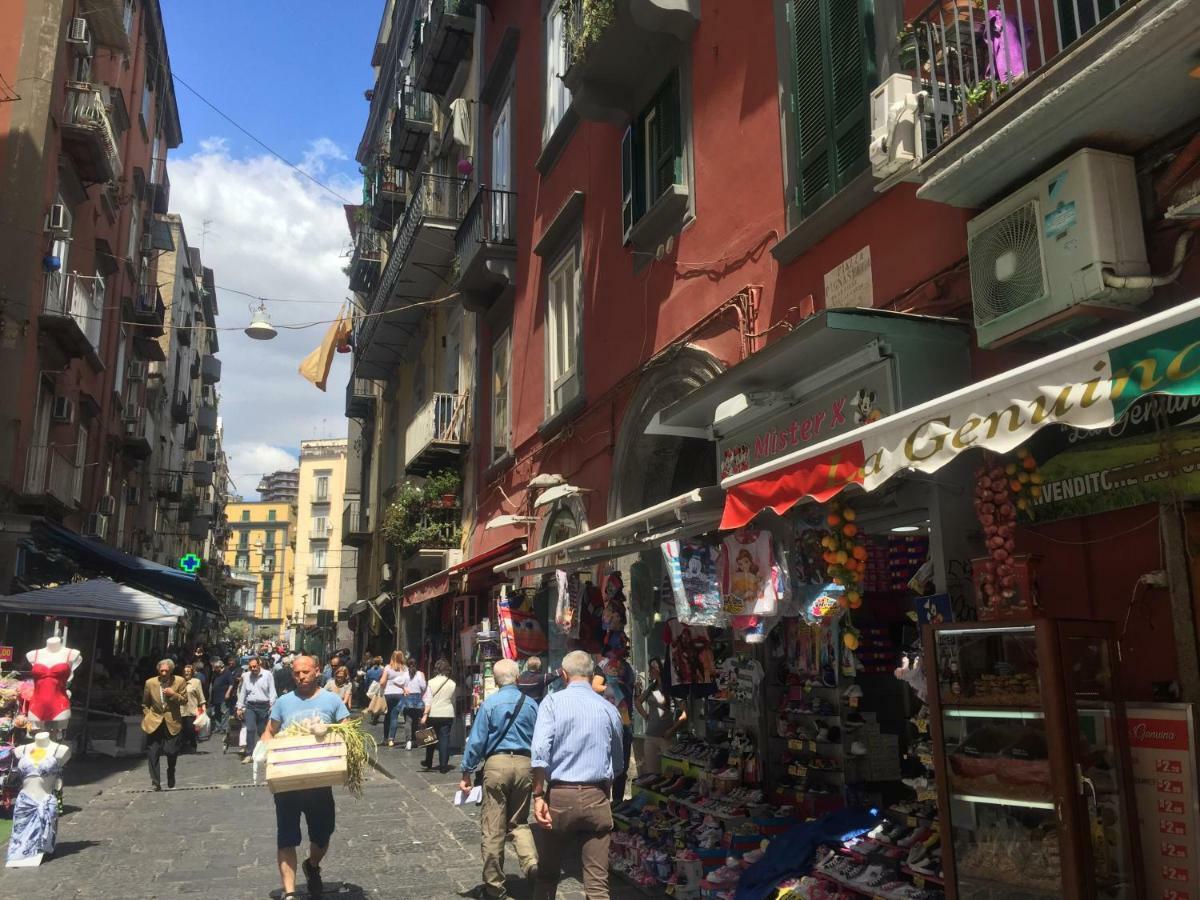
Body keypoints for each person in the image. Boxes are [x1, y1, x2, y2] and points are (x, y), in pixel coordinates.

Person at [531, 649, 624, 900]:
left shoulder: (552, 702)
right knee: (597, 883)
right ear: (592, 674)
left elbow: (540, 750)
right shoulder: (608, 708)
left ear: (563, 674)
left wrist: (538, 794)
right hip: (596, 796)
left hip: (560, 796)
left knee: (548, 873)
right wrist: (606, 788)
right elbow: (618, 762)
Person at [261, 655, 350, 900]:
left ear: (317, 671)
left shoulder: (332, 700)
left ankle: (312, 864)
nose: (301, 677)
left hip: (319, 783)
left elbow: (348, 728)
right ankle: (289, 893)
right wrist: (263, 753)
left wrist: (330, 729)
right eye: (297, 673)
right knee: (286, 837)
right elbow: (270, 731)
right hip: (287, 782)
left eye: (306, 672)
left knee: (323, 835)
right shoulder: (283, 702)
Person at [459, 658, 539, 899]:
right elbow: (541, 738)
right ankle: (531, 864)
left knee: (494, 827)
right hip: (526, 765)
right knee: (519, 822)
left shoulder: (490, 704)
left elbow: (477, 740)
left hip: (496, 764)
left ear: (494, 680)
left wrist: (466, 770)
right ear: (518, 678)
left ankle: (494, 887)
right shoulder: (532, 704)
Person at [592, 640, 636, 803]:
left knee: (622, 765)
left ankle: (617, 802)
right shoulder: (603, 665)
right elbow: (596, 685)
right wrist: (612, 687)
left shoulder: (628, 667)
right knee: (606, 761)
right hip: (609, 718)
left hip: (625, 719)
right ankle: (604, 801)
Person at [141, 659, 187, 790]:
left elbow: (184, 700)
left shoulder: (179, 681)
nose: (164, 673)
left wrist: (174, 695)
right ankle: (155, 781)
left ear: (171, 671)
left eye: (167, 671)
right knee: (153, 752)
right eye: (162, 671)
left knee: (171, 751)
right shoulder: (150, 683)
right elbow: (145, 703)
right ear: (158, 670)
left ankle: (171, 771)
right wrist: (147, 715)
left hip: (172, 721)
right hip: (154, 721)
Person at [634, 658, 683, 775]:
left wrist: (672, 730)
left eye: (651, 668)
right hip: (650, 736)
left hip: (666, 737)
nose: (649, 671)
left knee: (671, 771)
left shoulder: (671, 688)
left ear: (658, 670)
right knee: (652, 772)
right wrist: (646, 716)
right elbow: (638, 702)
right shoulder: (652, 687)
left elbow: (684, 714)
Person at [236, 656, 277, 763]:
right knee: (250, 729)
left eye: (255, 666)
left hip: (264, 706)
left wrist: (273, 706)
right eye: (251, 667)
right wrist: (239, 707)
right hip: (250, 706)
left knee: (262, 731)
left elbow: (272, 691)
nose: (253, 669)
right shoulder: (246, 676)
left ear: (259, 664)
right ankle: (249, 754)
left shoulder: (268, 675)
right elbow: (243, 692)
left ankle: (266, 752)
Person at [420, 658, 456, 773]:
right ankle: (444, 765)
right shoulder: (452, 683)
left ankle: (428, 761)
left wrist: (425, 714)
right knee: (444, 739)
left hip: (433, 713)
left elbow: (427, 700)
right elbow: (453, 700)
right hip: (447, 713)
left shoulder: (430, 683)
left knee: (430, 738)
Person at [379, 651, 409, 748]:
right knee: (394, 716)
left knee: (387, 716)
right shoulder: (405, 669)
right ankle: (391, 739)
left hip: (388, 694)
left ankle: (385, 738)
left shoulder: (388, 668)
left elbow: (382, 682)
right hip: (400, 694)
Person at [401, 656, 428, 751]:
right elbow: (423, 687)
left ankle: (408, 741)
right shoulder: (420, 674)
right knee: (416, 721)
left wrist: (404, 688)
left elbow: (398, 682)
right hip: (418, 699)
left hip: (407, 699)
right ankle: (415, 740)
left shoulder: (404, 674)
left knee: (408, 721)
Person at [180, 664, 206, 754]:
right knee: (182, 730)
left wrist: (203, 708)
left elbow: (200, 696)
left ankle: (192, 745)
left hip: (192, 710)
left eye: (188, 671)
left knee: (191, 729)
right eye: (185, 671)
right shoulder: (179, 681)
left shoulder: (196, 682)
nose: (186, 673)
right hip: (181, 710)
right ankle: (183, 747)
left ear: (192, 672)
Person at [208, 660, 232, 733]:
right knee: (216, 712)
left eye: (215, 667)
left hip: (223, 696)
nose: (213, 669)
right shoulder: (215, 673)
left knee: (224, 712)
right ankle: (218, 727)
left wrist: (228, 693)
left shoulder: (227, 673)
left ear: (220, 667)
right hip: (215, 696)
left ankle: (224, 728)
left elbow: (231, 684)